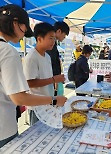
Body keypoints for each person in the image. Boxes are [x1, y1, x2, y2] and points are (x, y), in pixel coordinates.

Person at [0, 4, 66, 148]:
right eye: (24, 29)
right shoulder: (8, 52)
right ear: (15, 23)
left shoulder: (46, 56)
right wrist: (54, 100)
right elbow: (19, 97)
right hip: (4, 128)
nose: (24, 34)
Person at [23, 22, 65, 125]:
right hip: (36, 107)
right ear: (39, 39)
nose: (53, 42)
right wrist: (54, 79)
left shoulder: (47, 56)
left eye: (54, 38)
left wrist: (54, 82)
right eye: (50, 38)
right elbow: (29, 83)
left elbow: (46, 78)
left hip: (48, 104)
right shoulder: (32, 57)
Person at [46, 21, 69, 95]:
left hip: (53, 79)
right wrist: (55, 79)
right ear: (59, 31)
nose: (64, 38)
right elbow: (51, 62)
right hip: (50, 80)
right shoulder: (50, 44)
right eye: (64, 35)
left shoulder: (53, 44)